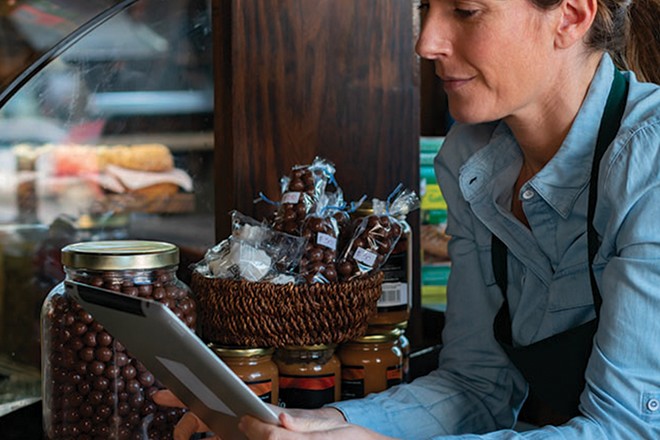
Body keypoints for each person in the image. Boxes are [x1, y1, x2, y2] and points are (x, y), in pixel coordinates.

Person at [154, 0, 660, 437]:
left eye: (465, 11)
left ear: (570, 16)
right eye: (425, 9)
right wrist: (313, 423)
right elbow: (476, 387)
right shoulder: (472, 159)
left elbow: (628, 429)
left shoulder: (648, 164)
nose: (425, 42)